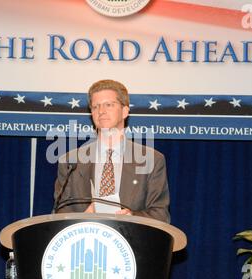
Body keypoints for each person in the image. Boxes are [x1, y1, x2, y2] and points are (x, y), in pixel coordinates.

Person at [53, 79, 170, 223]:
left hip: (132, 240)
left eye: (109, 105)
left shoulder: (151, 159)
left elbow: (161, 215)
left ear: (125, 111)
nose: (101, 111)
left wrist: (132, 218)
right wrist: (83, 218)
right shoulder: (71, 161)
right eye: (95, 107)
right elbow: (59, 214)